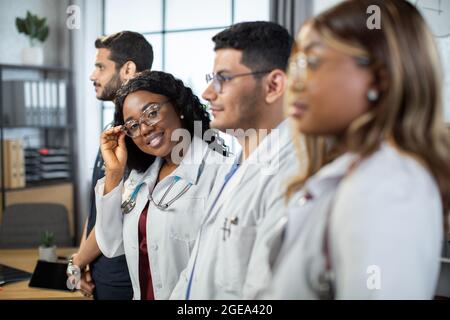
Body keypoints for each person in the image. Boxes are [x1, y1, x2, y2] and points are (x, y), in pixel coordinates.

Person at [264, 0, 450, 299]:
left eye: (311, 62)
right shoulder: (358, 173)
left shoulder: (387, 187)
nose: (294, 83)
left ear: (380, 78)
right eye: (295, 64)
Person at [170, 21, 298, 300]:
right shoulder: (232, 165)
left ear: (274, 85)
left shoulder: (293, 175)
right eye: (211, 78)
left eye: (224, 79)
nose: (207, 93)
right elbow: (196, 269)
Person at [94, 70, 230, 300]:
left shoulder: (220, 173)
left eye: (152, 113)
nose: (144, 128)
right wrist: (114, 175)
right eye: (133, 126)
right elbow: (112, 245)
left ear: (178, 107)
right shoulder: (140, 179)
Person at [69, 31, 153, 299]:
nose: (93, 76)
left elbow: (121, 208)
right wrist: (82, 259)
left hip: (122, 278)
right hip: (98, 269)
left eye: (100, 67)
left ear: (127, 69)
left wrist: (77, 262)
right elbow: (99, 205)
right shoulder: (113, 130)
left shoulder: (142, 136)